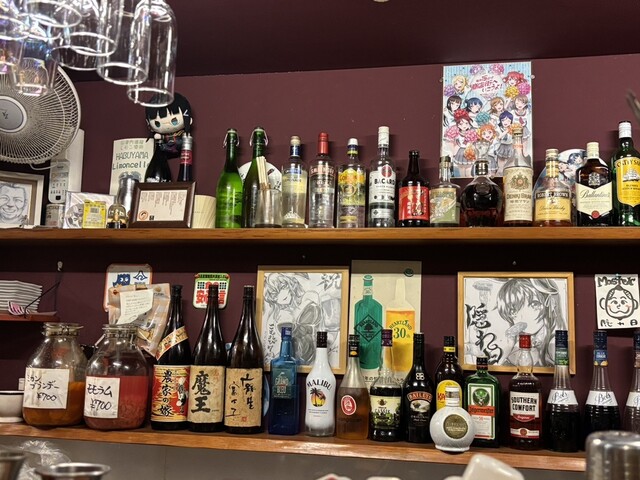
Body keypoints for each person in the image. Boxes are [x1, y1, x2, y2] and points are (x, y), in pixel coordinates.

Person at [495, 278, 567, 367]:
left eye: (534, 304)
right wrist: (508, 346)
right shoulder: (514, 343)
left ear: (550, 305)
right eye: (513, 310)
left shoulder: (555, 344)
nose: (522, 315)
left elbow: (563, 372)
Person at [145, 93, 193, 158]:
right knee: (160, 147)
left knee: (180, 142)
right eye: (157, 123)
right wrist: (160, 137)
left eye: (174, 121)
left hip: (178, 144)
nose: (167, 125)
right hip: (166, 147)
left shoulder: (181, 134)